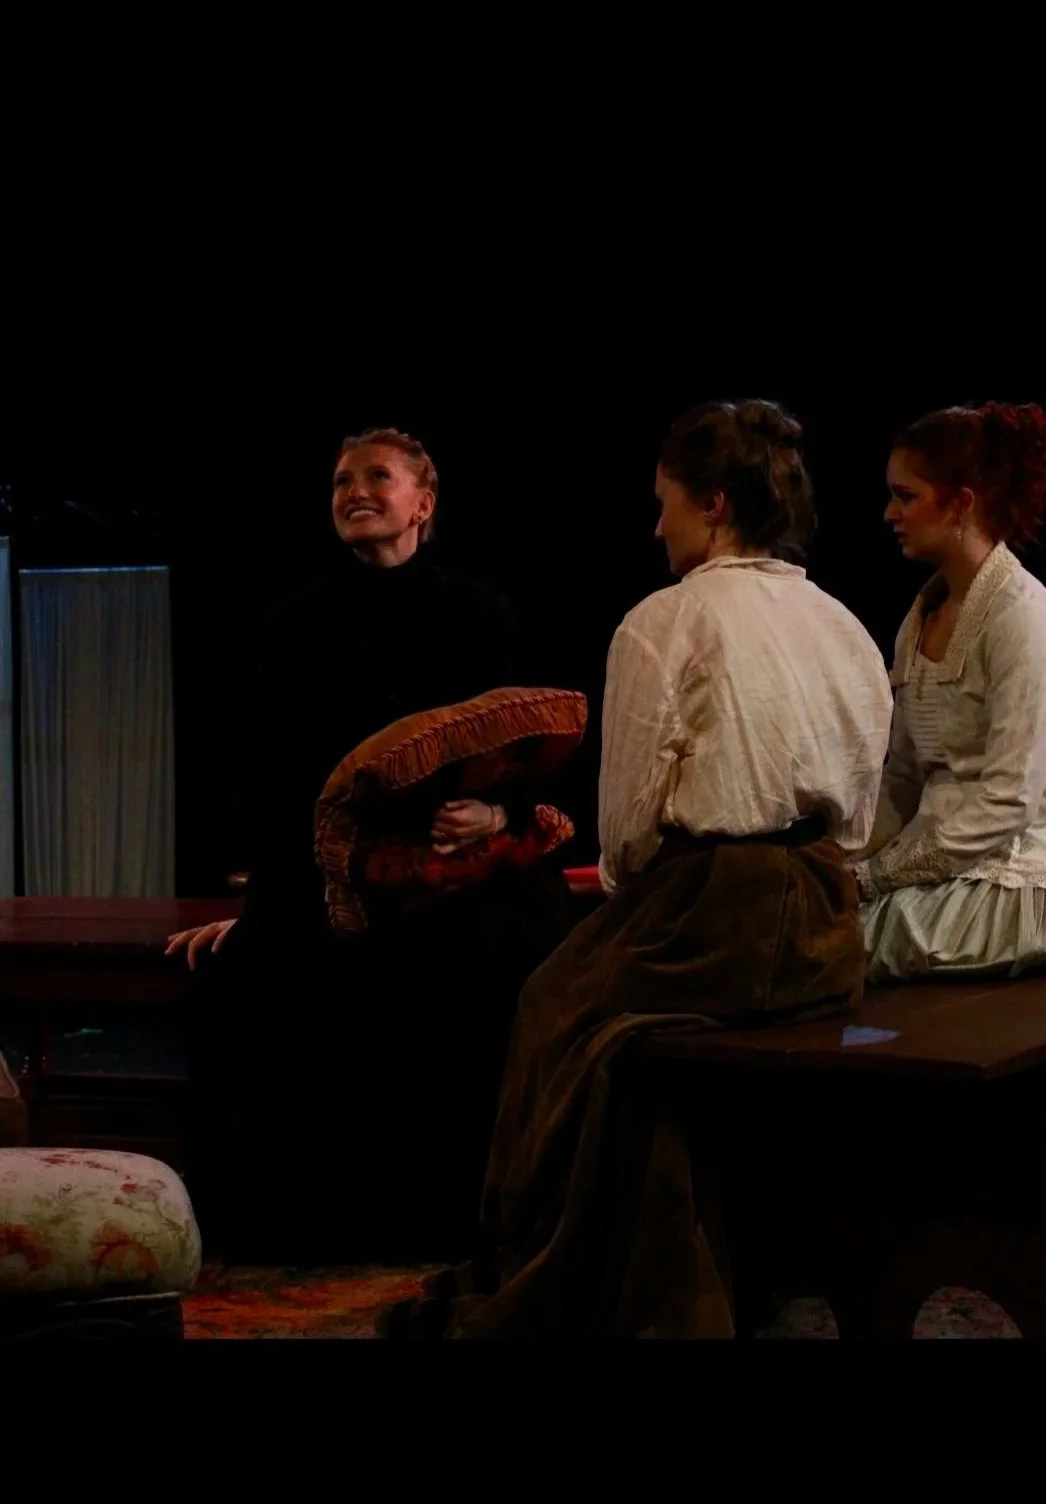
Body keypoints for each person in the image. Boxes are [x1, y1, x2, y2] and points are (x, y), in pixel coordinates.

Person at [382, 399, 893, 1338]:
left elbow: (624, 832)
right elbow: (864, 806)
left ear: (714, 502)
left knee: (552, 1009)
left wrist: (632, 901)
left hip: (710, 910)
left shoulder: (665, 620)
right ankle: (683, 1266)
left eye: (665, 505)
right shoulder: (842, 621)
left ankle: (554, 1268)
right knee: (621, 1048)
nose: (656, 526)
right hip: (826, 918)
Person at [166, 427, 574, 1260]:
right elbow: (275, 785)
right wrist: (262, 909)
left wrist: (495, 819)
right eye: (341, 481)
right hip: (338, 877)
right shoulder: (293, 624)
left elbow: (526, 756)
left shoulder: (481, 612)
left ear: (422, 503)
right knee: (261, 974)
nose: (354, 490)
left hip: (457, 876)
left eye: (376, 478)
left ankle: (484, 1222)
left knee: (514, 958)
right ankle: (310, 1231)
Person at [852, 401, 1046, 981]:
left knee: (855, 945)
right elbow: (904, 776)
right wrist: (847, 860)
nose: (889, 512)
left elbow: (1007, 800)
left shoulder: (1023, 619)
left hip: (1026, 877)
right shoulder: (921, 617)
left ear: (961, 503)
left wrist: (879, 876)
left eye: (906, 496)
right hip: (940, 864)